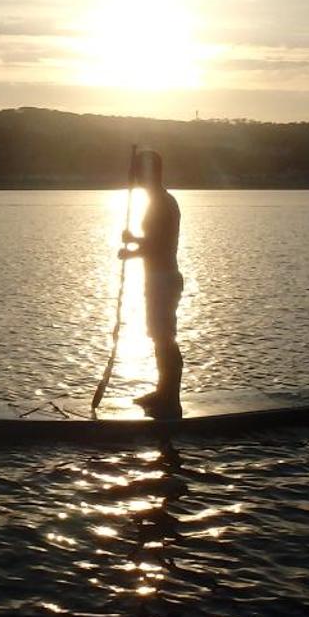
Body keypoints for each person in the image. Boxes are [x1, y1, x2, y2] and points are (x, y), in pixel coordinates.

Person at [118, 149, 184, 418]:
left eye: (139, 172)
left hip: (164, 279)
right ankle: (163, 391)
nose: (137, 178)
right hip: (155, 278)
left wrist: (132, 251)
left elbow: (159, 245)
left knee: (165, 336)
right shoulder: (155, 201)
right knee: (158, 335)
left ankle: (171, 397)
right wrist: (134, 240)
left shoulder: (164, 203)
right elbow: (153, 241)